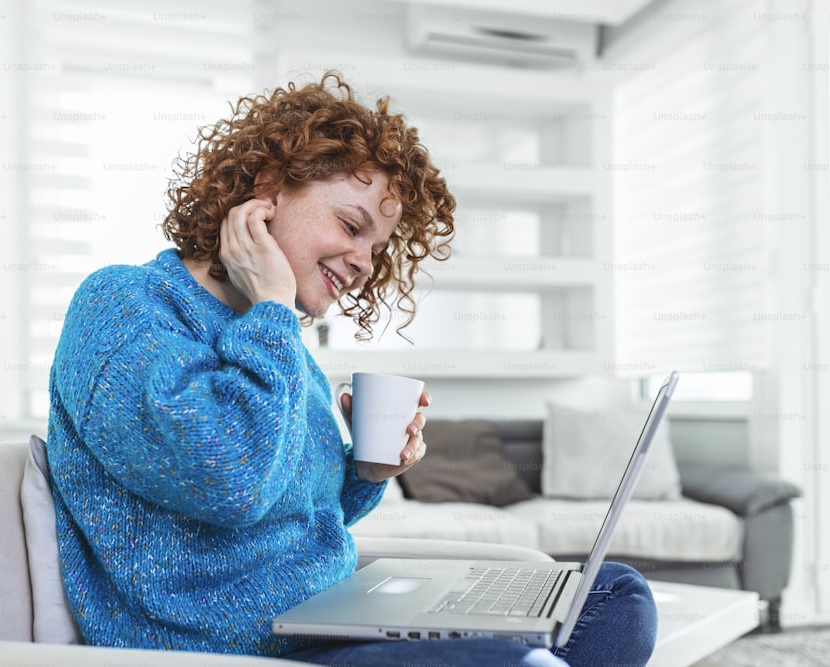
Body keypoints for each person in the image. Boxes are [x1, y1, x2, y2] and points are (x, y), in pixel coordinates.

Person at [45, 71, 658, 667]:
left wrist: (364, 474)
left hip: (328, 623)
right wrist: (272, 309)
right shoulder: (125, 305)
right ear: (267, 187)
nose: (365, 263)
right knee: (523, 660)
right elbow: (230, 481)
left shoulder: (280, 346)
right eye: (351, 225)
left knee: (614, 598)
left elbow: (302, 517)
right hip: (229, 650)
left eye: (377, 248)